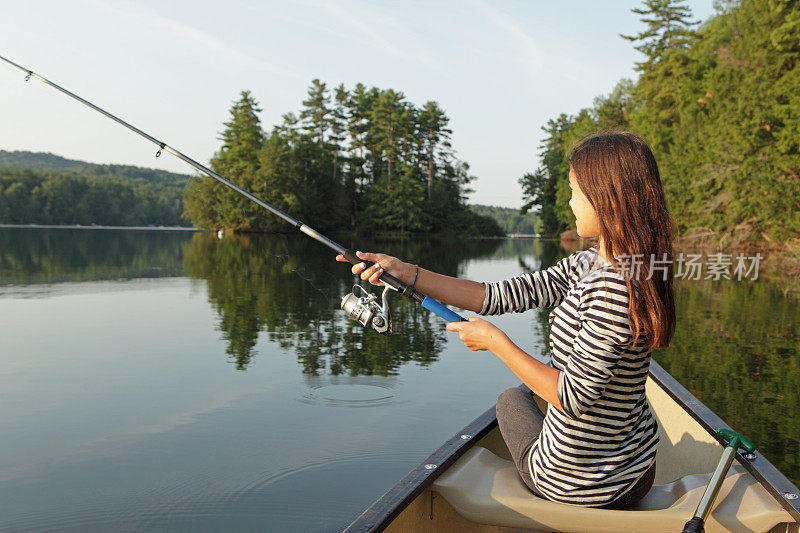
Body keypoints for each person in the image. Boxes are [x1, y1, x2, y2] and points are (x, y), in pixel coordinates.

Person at [335, 130, 675, 509]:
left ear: (607, 197)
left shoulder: (611, 288)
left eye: (575, 191)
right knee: (534, 391)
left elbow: (570, 397)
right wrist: (406, 272)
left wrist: (496, 343)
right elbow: (493, 296)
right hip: (638, 468)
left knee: (511, 398)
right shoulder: (605, 266)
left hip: (581, 485)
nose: (570, 201)